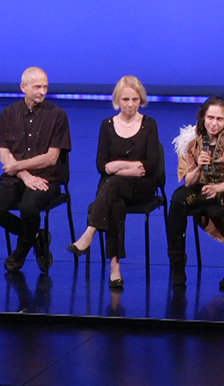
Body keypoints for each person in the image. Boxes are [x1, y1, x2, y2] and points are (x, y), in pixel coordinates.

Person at [66, 76, 162, 288]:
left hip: (141, 187)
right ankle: (115, 268)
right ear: (118, 100)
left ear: (141, 100)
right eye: (126, 99)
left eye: (135, 99)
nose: (130, 104)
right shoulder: (107, 126)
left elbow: (151, 165)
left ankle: (89, 232)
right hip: (114, 189)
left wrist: (118, 166)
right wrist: (128, 166)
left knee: (113, 184)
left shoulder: (149, 125)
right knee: (114, 203)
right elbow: (102, 165)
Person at [167, 96, 224, 289]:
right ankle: (177, 265)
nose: (214, 123)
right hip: (201, 185)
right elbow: (188, 182)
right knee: (177, 200)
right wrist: (199, 167)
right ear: (202, 117)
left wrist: (217, 188)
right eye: (210, 118)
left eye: (219, 119)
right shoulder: (190, 141)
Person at [0, 67, 71, 274]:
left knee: (29, 207)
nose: (42, 91)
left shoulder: (58, 115)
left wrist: (19, 167)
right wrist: (23, 174)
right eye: (37, 87)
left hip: (46, 178)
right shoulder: (8, 113)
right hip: (16, 178)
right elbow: (4, 152)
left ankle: (21, 250)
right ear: (23, 87)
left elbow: (51, 158)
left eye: (45, 87)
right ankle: (35, 236)